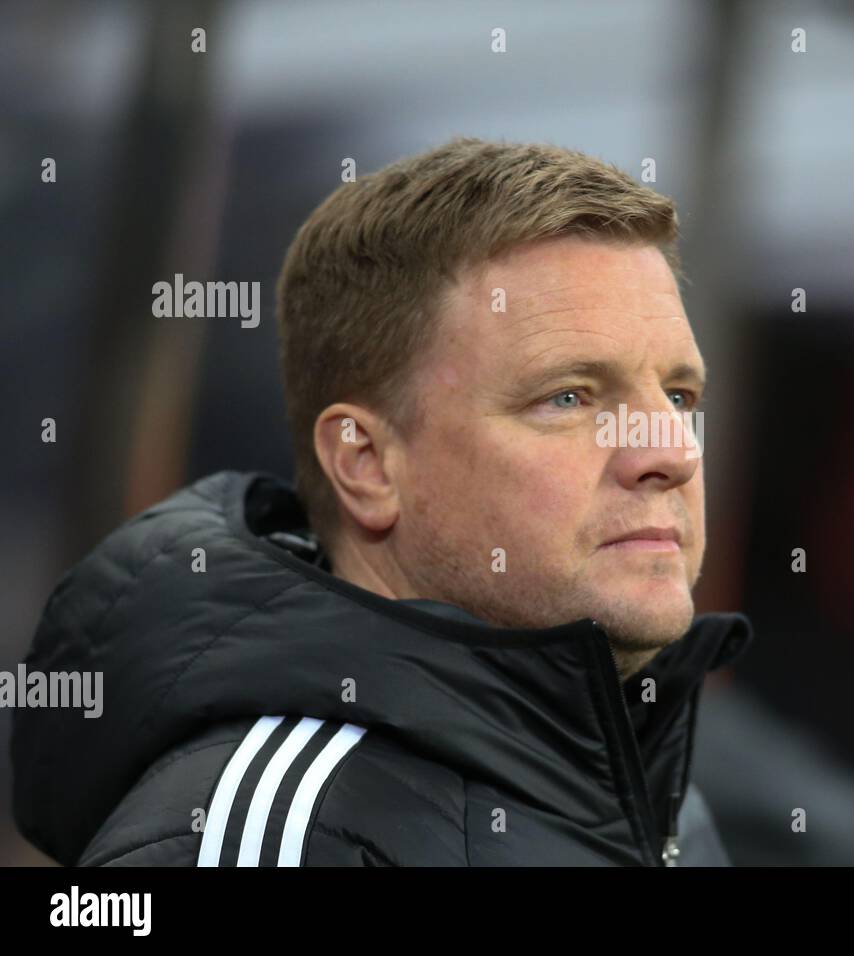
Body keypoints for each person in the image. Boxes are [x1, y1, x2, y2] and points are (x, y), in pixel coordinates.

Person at [11, 137, 752, 866]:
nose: (673, 452)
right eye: (568, 397)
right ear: (366, 464)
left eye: (681, 396)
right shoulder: (274, 835)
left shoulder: (664, 801)